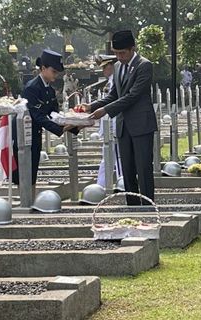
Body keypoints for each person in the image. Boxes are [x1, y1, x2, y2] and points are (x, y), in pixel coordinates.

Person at [79, 30, 157, 205]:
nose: (119, 57)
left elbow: (132, 96)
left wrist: (105, 110)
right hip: (123, 125)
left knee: (143, 168)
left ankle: (148, 205)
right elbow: (115, 94)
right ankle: (133, 205)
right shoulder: (118, 67)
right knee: (127, 169)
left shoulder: (144, 65)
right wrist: (92, 106)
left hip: (141, 124)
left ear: (132, 49)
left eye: (122, 53)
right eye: (116, 53)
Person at [11, 49, 80, 194]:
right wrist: (61, 129)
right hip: (24, 135)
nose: (56, 75)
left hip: (35, 134)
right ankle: (26, 201)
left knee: (33, 169)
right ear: (43, 69)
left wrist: (75, 124)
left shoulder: (48, 88)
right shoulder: (32, 87)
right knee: (25, 171)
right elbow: (37, 115)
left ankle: (31, 200)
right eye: (54, 71)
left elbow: (53, 113)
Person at [95, 55, 123, 187]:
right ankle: (102, 186)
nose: (103, 70)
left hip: (113, 126)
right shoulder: (111, 81)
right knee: (108, 158)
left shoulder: (115, 81)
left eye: (105, 67)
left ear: (112, 65)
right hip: (109, 126)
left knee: (118, 157)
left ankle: (121, 184)